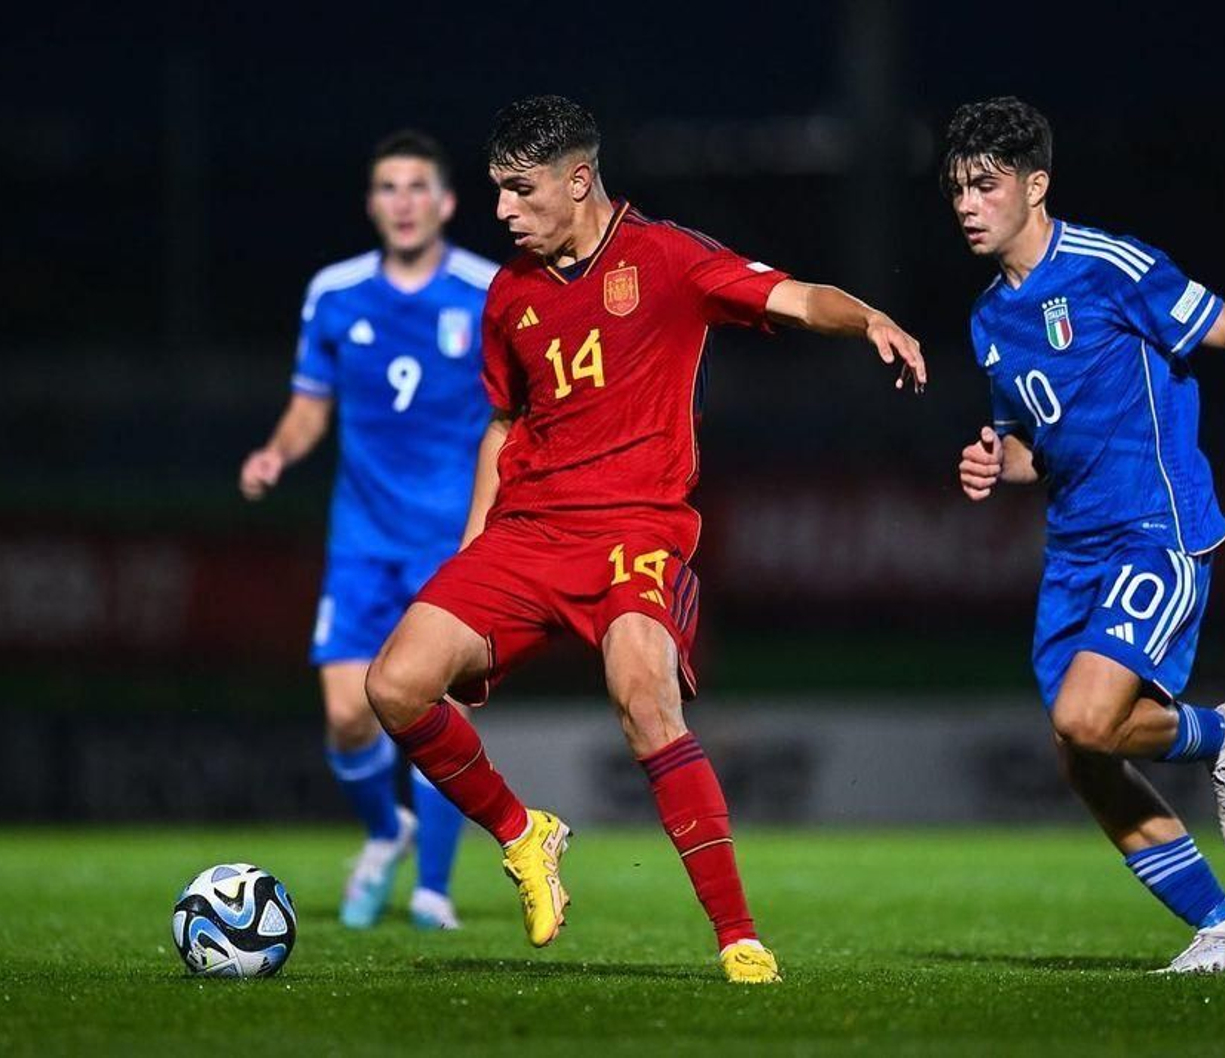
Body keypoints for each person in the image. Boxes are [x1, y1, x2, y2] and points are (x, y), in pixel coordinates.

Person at [364, 94, 927, 984]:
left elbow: (792, 294)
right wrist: (470, 550)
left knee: (643, 694)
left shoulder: (665, 259)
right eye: (497, 191)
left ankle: (739, 939)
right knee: (393, 686)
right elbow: (504, 426)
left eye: (519, 191)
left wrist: (869, 320)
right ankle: (524, 834)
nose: (503, 211)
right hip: (526, 534)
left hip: (636, 528)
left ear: (578, 179)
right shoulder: (510, 293)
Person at [948, 97, 1225, 973]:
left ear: (1036, 187)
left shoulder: (1109, 266)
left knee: (1083, 719)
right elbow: (1038, 441)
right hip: (1073, 550)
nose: (966, 204)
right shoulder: (989, 321)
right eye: (956, 188)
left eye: (986, 186)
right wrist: (1001, 462)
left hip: (1157, 527)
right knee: (1082, 753)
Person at [239, 130, 497, 931]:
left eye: (418, 186)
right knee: (350, 715)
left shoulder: (488, 292)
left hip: (452, 545)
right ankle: (389, 834)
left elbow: (514, 418)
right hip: (361, 540)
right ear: (372, 204)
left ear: (447, 202)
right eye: (389, 187)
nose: (404, 201)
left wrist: (494, 526)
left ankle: (435, 891)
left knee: (441, 713)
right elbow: (312, 404)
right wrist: (278, 452)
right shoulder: (336, 292)